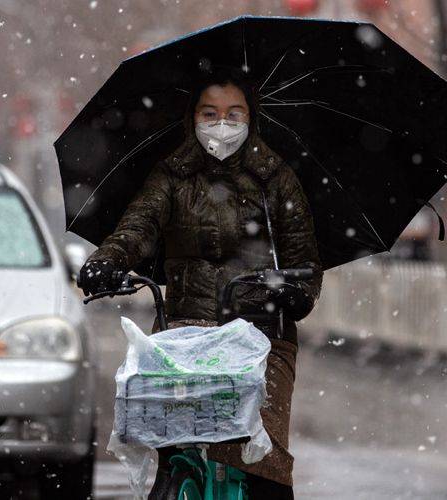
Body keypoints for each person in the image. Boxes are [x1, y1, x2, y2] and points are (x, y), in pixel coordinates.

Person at [78, 67, 323, 499]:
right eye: (210, 113)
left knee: (264, 467)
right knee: (174, 454)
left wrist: (291, 291)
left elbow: (305, 261)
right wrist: (106, 261)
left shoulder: (276, 179)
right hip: (183, 337)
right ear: (192, 118)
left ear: (252, 117)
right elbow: (135, 230)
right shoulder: (171, 176)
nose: (222, 125)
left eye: (234, 113)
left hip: (261, 335)